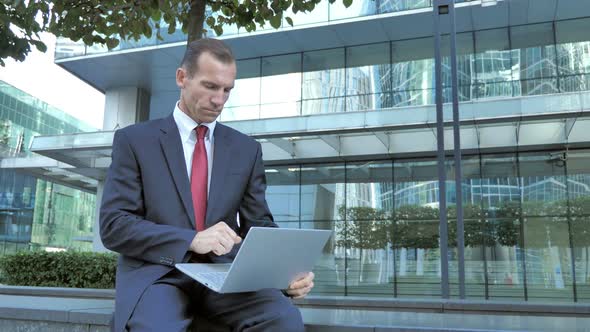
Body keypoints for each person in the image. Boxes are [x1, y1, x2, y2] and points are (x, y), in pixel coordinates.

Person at [100, 38, 314, 332]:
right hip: (157, 274)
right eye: (211, 87)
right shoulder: (134, 141)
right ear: (182, 78)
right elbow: (115, 225)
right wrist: (191, 238)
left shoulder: (246, 149)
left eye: (227, 90)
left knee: (284, 319)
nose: (220, 100)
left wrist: (285, 272)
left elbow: (258, 224)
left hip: (224, 276)